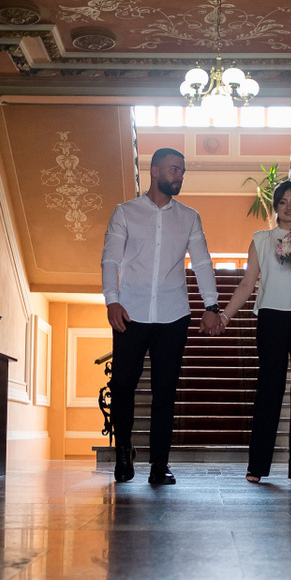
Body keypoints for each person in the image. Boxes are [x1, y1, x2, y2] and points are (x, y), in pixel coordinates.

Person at [100, 147, 224, 485]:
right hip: (130, 312)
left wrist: (211, 306)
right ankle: (123, 453)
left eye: (182, 171)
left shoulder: (189, 217)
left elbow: (202, 262)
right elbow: (111, 259)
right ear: (155, 171)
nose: (179, 176)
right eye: (174, 169)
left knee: (165, 390)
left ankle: (159, 464)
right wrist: (112, 300)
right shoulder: (125, 212)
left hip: (173, 314)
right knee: (121, 385)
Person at [216, 180, 291, 487]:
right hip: (271, 318)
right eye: (282, 202)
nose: (289, 207)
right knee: (269, 389)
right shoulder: (261, 240)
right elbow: (246, 284)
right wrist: (225, 315)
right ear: (275, 207)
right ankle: (257, 465)